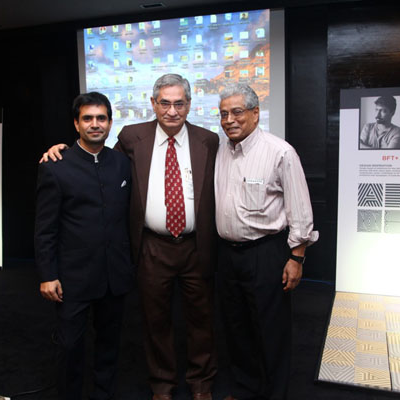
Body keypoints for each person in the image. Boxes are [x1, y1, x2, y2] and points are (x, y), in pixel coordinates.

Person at [42, 74, 219, 400]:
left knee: (202, 319)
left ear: (189, 105)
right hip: (152, 248)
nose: (172, 110)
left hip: (196, 247)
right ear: (153, 104)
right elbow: (95, 159)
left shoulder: (209, 140)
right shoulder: (132, 136)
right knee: (155, 321)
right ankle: (162, 386)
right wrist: (62, 149)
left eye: (179, 103)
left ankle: (201, 384)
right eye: (164, 103)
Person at [215, 83, 318, 400]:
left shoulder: (280, 152)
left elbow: (300, 211)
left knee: (271, 330)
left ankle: (274, 394)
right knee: (236, 328)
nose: (229, 120)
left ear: (256, 113)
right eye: (223, 114)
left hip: (266, 253)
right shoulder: (220, 150)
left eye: (237, 112)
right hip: (227, 255)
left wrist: (296, 258)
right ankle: (245, 388)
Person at [35, 92, 134, 400]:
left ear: (110, 123)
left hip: (114, 274)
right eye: (87, 118)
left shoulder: (122, 163)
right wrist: (47, 274)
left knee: (109, 346)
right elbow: (45, 227)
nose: (95, 124)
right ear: (76, 124)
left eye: (101, 118)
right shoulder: (56, 165)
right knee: (69, 347)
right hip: (72, 278)